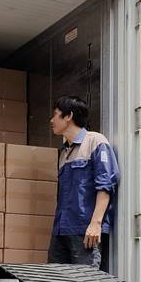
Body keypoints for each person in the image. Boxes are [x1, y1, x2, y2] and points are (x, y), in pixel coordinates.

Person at [47, 96, 120, 270]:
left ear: (68, 116)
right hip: (61, 230)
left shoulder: (95, 141)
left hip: (84, 231)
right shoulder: (64, 152)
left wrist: (95, 224)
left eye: (55, 114)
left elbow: (105, 185)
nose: (51, 120)